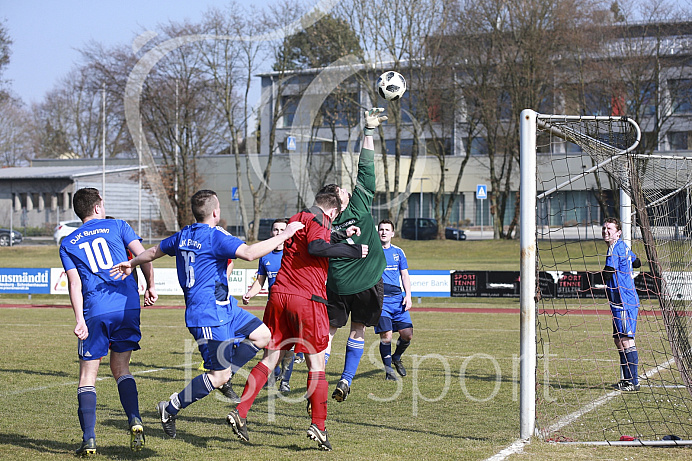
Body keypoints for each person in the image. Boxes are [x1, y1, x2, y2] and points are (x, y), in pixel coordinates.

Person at [110, 189, 304, 439]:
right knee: (218, 375)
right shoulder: (214, 237)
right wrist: (286, 234)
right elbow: (249, 253)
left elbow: (154, 251)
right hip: (207, 316)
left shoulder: (184, 235)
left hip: (226, 307)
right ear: (216, 211)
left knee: (263, 336)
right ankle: (170, 407)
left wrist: (132, 262)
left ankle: (226, 374)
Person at [226, 184, 366, 451]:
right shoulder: (320, 220)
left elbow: (312, 242)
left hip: (279, 295)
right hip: (307, 299)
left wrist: (338, 235)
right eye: (337, 214)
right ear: (333, 209)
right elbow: (315, 247)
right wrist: (353, 251)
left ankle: (241, 411)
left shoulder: (299, 217)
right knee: (317, 365)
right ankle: (319, 425)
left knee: (270, 357)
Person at [59, 188, 157, 456]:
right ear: (99, 206)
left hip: (96, 310)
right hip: (126, 307)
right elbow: (145, 254)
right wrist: (150, 285)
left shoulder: (68, 243)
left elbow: (74, 283)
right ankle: (135, 420)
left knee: (87, 377)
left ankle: (89, 439)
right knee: (121, 369)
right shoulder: (119, 225)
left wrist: (79, 318)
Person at [325, 108, 388, 402]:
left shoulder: (324, 222)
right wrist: (369, 131)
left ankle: (317, 377)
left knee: (329, 332)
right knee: (358, 330)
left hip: (337, 286)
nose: (347, 187)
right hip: (367, 283)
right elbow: (367, 167)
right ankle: (346, 379)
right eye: (343, 189)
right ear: (344, 199)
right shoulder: (360, 205)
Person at [602, 217, 642, 392]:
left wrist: (593, 281)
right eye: (604, 228)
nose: (605, 231)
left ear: (618, 233)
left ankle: (634, 382)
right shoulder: (623, 246)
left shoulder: (614, 248)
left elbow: (608, 272)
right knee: (619, 340)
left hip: (624, 301)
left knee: (626, 339)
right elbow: (637, 262)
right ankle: (626, 380)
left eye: (609, 228)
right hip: (618, 301)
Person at [375, 219, 413, 380]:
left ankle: (396, 357)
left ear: (392, 233)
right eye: (381, 229)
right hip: (381, 301)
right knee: (387, 336)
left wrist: (409, 296)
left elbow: (404, 275)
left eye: (386, 229)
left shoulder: (398, 252)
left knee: (407, 335)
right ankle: (389, 371)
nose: (383, 232)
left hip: (398, 300)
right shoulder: (372, 251)